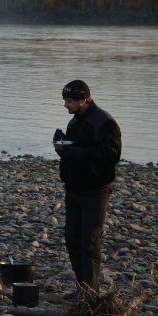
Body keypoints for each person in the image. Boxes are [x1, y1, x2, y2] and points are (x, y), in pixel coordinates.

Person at [54, 80, 121, 294]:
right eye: (65, 100)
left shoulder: (104, 123)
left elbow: (112, 155)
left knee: (89, 244)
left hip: (95, 192)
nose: (65, 105)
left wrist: (78, 151)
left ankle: (90, 294)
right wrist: (63, 147)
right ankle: (82, 286)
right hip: (73, 190)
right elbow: (75, 153)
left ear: (84, 100)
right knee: (72, 241)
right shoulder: (75, 122)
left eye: (69, 101)